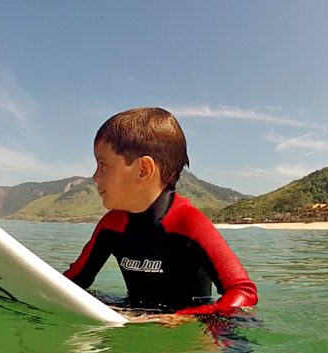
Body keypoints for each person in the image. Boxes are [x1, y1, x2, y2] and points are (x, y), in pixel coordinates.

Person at [63, 107, 258, 319]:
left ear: (143, 170)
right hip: (137, 314)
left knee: (236, 340)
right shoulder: (112, 225)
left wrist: (185, 317)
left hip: (192, 326)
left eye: (103, 165)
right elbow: (72, 282)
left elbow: (243, 292)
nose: (95, 177)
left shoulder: (189, 223)